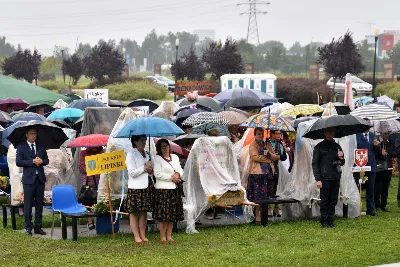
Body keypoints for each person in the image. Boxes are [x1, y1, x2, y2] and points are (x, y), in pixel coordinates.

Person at [15, 127, 49, 236]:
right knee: (28, 205)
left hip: (40, 179)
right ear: (27, 135)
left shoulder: (41, 146)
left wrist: (42, 161)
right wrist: (32, 161)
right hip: (29, 180)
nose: (34, 136)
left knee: (39, 204)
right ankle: (28, 227)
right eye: (31, 134)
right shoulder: (21, 147)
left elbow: (47, 160)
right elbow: (18, 162)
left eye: (35, 134)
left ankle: (38, 227)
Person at [312, 127, 345, 228]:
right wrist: (318, 179)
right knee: (324, 200)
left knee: (333, 199)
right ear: (325, 134)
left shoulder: (337, 146)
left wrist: (341, 158)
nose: (330, 134)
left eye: (332, 132)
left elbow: (342, 162)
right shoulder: (319, 147)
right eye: (328, 132)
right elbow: (315, 163)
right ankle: (324, 220)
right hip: (324, 177)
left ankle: (331, 219)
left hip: (335, 177)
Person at [124, 135, 154, 244]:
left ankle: (143, 234)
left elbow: (151, 172)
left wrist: (150, 170)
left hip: (146, 186)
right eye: (141, 140)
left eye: (145, 140)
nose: (144, 142)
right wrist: (144, 168)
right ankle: (136, 236)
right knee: (134, 212)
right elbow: (132, 173)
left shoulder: (147, 154)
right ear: (135, 142)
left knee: (143, 212)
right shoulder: (131, 154)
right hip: (135, 187)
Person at [153, 139, 184, 243]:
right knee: (164, 216)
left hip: (174, 189)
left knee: (171, 215)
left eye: (166, 146)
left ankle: (169, 236)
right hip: (163, 190)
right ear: (159, 148)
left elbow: (180, 169)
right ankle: (162, 237)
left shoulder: (175, 157)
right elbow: (157, 174)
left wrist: (177, 175)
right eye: (162, 146)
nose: (165, 148)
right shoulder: (157, 159)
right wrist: (171, 177)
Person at [247, 127, 279, 222]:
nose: (261, 136)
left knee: (265, 196)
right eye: (258, 134)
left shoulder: (267, 144)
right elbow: (254, 157)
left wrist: (269, 154)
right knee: (257, 196)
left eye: (262, 134)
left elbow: (275, 156)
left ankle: (264, 215)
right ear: (255, 135)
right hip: (257, 174)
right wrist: (267, 159)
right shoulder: (252, 145)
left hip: (268, 174)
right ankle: (257, 215)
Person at [353, 120, 381, 216]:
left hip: (371, 165)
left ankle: (370, 209)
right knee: (358, 187)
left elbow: (377, 152)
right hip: (359, 165)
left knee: (370, 188)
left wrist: (377, 146)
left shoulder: (373, 136)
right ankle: (356, 208)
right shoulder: (356, 135)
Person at [78, 146, 104, 229]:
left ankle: (97, 221)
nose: (95, 147)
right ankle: (89, 221)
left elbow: (105, 166)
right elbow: (81, 168)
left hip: (100, 181)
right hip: (87, 182)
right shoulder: (84, 154)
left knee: (98, 201)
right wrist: (92, 167)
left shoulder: (102, 153)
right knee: (87, 201)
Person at [268, 130, 290, 217]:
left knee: (275, 187)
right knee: (268, 187)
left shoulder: (280, 143)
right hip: (267, 167)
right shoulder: (267, 143)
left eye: (279, 134)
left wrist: (281, 153)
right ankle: (269, 207)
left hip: (277, 167)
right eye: (277, 133)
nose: (279, 135)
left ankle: (276, 208)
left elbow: (284, 157)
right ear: (272, 134)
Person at [375, 132, 397, 212]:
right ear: (381, 133)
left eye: (388, 134)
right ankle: (377, 205)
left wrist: (387, 152)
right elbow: (374, 153)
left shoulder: (390, 142)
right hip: (379, 167)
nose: (386, 135)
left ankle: (383, 205)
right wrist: (380, 152)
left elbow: (395, 153)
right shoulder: (377, 142)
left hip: (388, 167)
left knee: (385, 187)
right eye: (385, 134)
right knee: (378, 186)